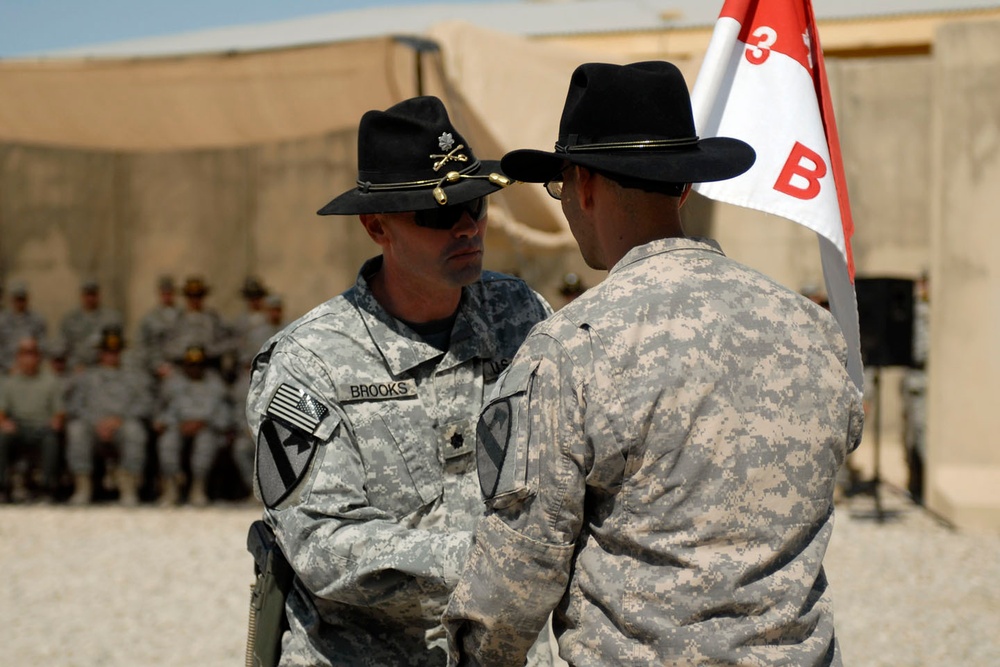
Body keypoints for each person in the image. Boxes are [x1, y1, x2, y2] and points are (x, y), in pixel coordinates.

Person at [443, 61, 866, 666]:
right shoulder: (811, 328)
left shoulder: (574, 347)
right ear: (685, 186)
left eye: (560, 188)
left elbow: (519, 573)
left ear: (583, 183)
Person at [244, 96, 553, 666]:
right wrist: (492, 558)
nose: (466, 228)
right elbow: (318, 542)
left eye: (476, 206)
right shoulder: (311, 362)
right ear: (376, 226)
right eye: (438, 215)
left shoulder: (522, 314)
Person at [64, 326, 153, 506]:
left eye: (115, 351)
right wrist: (96, 422)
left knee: (135, 431)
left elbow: (145, 404)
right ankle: (83, 487)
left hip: (122, 425)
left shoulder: (134, 377)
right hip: (94, 426)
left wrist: (120, 420)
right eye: (107, 352)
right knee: (76, 430)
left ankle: (128, 487)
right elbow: (75, 406)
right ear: (100, 353)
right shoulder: (86, 377)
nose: (111, 355)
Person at [156, 344, 231, 506]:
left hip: (207, 428)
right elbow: (165, 411)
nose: (194, 369)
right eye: (190, 365)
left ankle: (199, 487)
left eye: (199, 365)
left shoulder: (216, 386)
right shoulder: (173, 385)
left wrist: (204, 423)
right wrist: (175, 424)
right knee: (168, 440)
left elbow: (224, 415)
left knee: (206, 442)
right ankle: (172, 486)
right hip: (179, 426)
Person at [0, 337, 65, 503]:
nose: (29, 358)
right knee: (2, 437)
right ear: (18, 357)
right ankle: (3, 488)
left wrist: (56, 420)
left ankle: (47, 489)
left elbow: (59, 410)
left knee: (51, 439)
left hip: (42, 427)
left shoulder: (50, 381)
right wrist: (4, 421)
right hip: (18, 427)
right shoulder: (9, 382)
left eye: (32, 354)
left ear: (38, 357)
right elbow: (1, 410)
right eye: (24, 354)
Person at [902, 271, 929, 502]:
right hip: (914, 383)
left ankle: (921, 486)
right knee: (912, 436)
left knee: (922, 437)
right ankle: (914, 483)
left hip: (926, 383)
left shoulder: (927, 312)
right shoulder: (916, 310)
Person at [59, 279, 123, 370]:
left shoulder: (111, 318)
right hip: (77, 368)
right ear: (82, 296)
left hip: (104, 368)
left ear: (99, 295)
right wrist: (74, 365)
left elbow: (117, 346)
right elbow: (63, 347)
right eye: (87, 294)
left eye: (93, 294)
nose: (90, 298)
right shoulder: (70, 320)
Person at [137, 275, 181, 379]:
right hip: (155, 368)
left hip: (180, 366)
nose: (167, 296)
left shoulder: (183, 315)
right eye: (164, 293)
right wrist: (156, 365)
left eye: (169, 292)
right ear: (159, 293)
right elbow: (141, 345)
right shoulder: (149, 319)